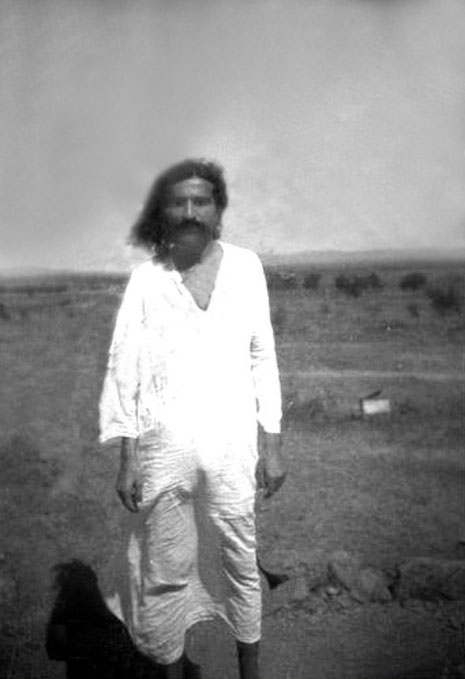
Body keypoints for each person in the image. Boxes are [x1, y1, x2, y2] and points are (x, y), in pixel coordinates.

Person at [99, 158, 286, 679]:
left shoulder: (246, 268)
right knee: (165, 567)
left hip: (232, 451)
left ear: (218, 210)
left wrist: (271, 445)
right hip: (163, 452)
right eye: (178, 202)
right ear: (164, 212)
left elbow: (262, 357)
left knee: (239, 560)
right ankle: (179, 670)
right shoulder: (145, 281)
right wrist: (127, 458)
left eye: (200, 201)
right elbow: (125, 370)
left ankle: (250, 671)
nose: (189, 212)